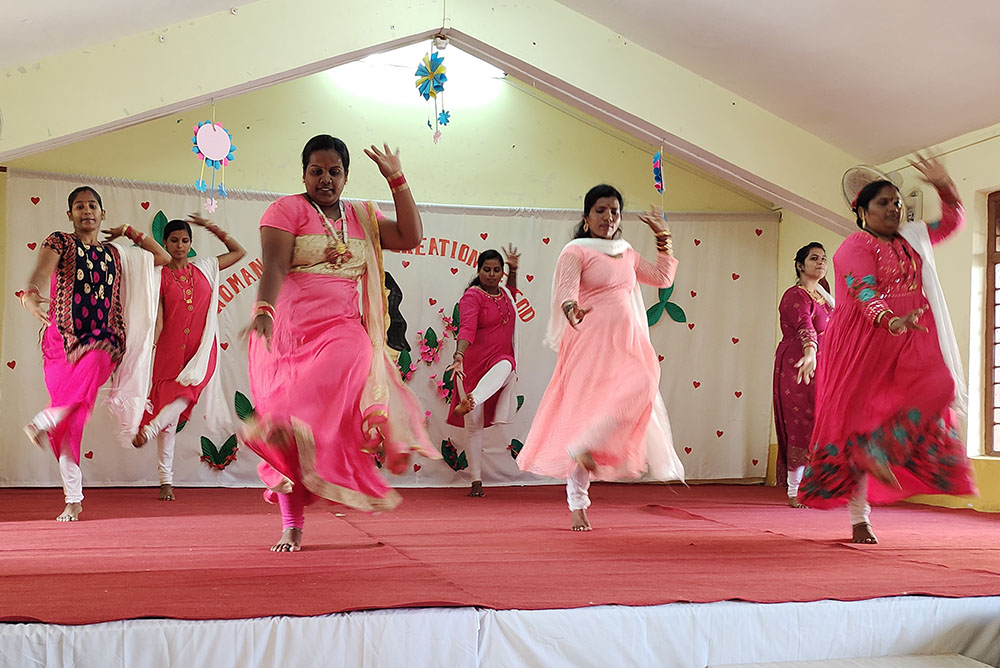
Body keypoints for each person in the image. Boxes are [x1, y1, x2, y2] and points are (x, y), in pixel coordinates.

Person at [244, 134, 438, 552]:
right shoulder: (287, 209)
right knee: (295, 440)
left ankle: (283, 422)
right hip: (289, 332)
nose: (325, 179)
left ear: (346, 177)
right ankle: (291, 524)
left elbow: (409, 236)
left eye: (334, 172)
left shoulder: (362, 216)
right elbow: (275, 264)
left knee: (350, 355)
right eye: (317, 171)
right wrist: (263, 309)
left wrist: (397, 180)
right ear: (304, 174)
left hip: (343, 328)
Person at [798, 154, 976, 543]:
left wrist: (945, 186)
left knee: (942, 388)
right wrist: (892, 321)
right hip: (864, 343)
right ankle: (860, 517)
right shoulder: (854, 246)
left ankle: (878, 447)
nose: (894, 208)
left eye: (897, 202)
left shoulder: (912, 238)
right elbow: (864, 293)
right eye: (884, 203)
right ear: (861, 211)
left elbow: (953, 222)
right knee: (860, 421)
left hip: (911, 338)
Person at [516, 184, 684, 531]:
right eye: (601, 211)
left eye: (615, 211)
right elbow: (566, 292)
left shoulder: (625, 252)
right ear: (586, 216)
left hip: (628, 344)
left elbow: (662, 277)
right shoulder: (576, 252)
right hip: (589, 343)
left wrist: (663, 238)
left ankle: (584, 444)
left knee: (645, 382)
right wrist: (570, 308)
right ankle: (578, 503)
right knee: (585, 413)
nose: (609, 217)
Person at [21, 186, 170, 521]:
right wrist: (30, 293)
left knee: (93, 367)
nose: (86, 211)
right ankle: (73, 499)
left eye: (92, 206)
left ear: (102, 214)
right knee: (70, 421)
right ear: (69, 214)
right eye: (78, 206)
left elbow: (161, 258)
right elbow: (40, 273)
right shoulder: (59, 241)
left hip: (104, 338)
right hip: (59, 341)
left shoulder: (117, 253)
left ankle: (42, 420)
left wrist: (129, 232)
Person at [131, 215, 246, 501]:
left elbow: (239, 253)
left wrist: (214, 229)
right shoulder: (158, 275)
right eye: (173, 240)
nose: (179, 246)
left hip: (202, 348)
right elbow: (153, 315)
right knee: (171, 420)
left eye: (184, 240)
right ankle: (165, 481)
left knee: (186, 395)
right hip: (169, 350)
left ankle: (151, 426)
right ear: (165, 243)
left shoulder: (205, 267)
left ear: (191, 244)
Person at [445, 246, 520, 497]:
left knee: (507, 365)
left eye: (496, 270)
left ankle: (472, 399)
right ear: (478, 271)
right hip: (474, 363)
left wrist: (515, 270)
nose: (491, 274)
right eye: (486, 269)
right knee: (473, 426)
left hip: (499, 359)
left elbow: (513, 295)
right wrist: (459, 356)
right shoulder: (472, 296)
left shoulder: (505, 295)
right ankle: (476, 481)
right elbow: (466, 328)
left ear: (502, 272)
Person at [772, 243, 834, 508]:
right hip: (799, 366)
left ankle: (820, 485)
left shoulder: (824, 295)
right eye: (814, 258)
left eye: (823, 258)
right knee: (801, 422)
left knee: (823, 422)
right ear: (800, 265)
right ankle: (795, 490)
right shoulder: (794, 296)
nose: (820, 262)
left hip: (824, 366)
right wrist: (810, 354)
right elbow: (804, 326)